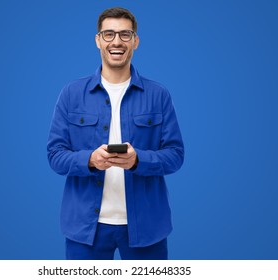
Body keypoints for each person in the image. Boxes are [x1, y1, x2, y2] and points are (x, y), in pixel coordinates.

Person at [47, 7, 184, 260]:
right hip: (85, 229)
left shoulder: (158, 95)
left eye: (125, 34)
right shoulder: (71, 94)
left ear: (136, 41)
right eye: (108, 34)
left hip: (147, 227)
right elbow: (55, 155)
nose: (117, 41)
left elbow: (175, 155)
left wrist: (137, 160)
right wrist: (89, 160)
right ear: (98, 40)